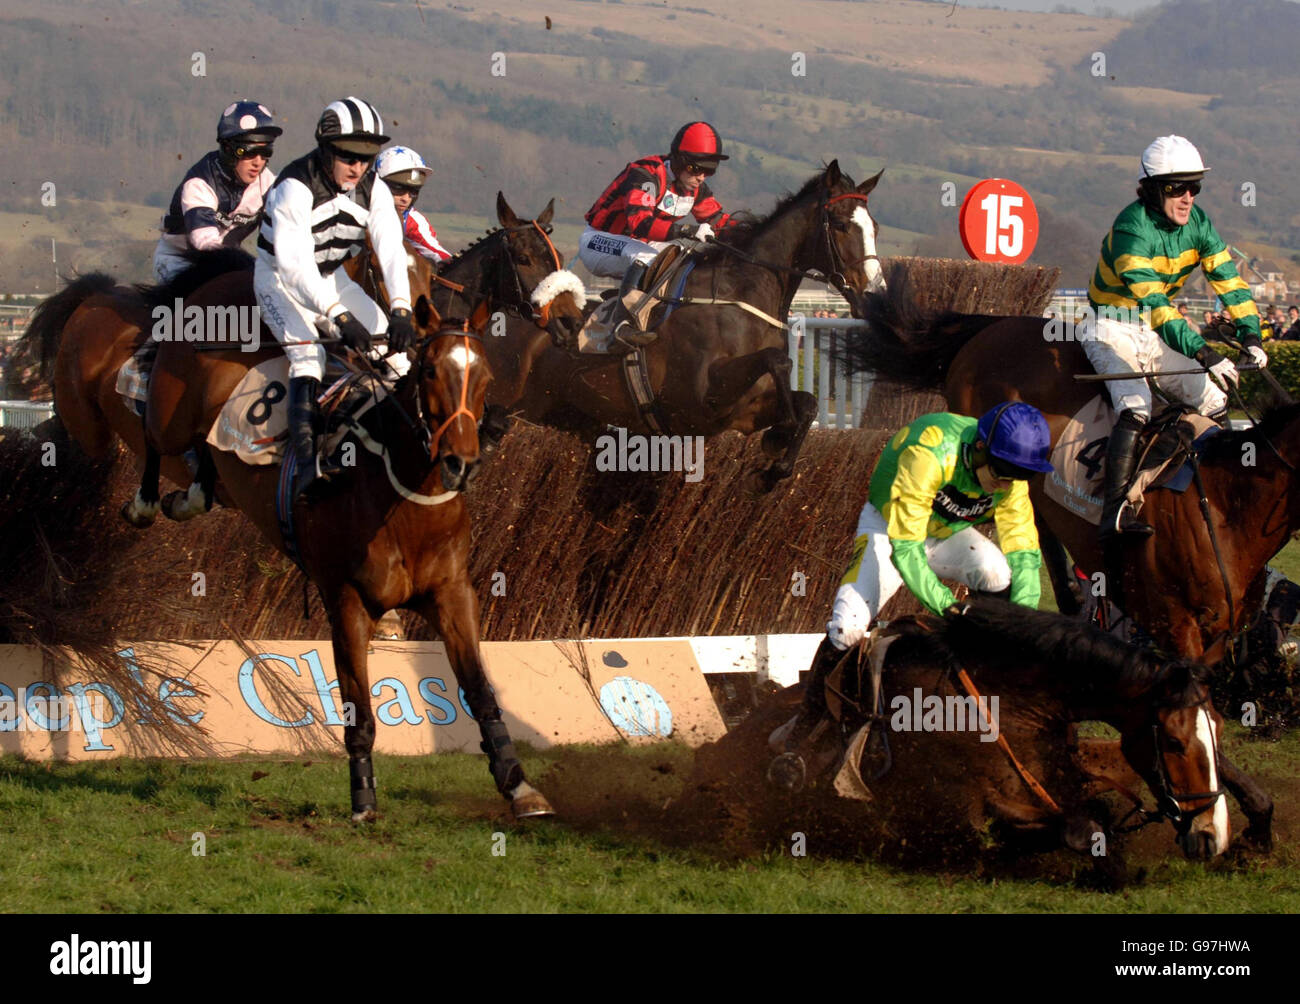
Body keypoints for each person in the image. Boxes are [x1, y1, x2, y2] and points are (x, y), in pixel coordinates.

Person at [770, 402, 1053, 776]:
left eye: (1020, 477)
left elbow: (1025, 555)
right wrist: (950, 610)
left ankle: (979, 691)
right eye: (1003, 473)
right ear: (981, 447)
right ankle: (797, 739)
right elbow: (906, 549)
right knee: (847, 627)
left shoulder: (1011, 478)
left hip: (945, 534)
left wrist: (1022, 625)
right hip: (890, 531)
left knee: (996, 572)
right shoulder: (931, 450)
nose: (1007, 484)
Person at [1085, 135, 1264, 540]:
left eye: (1194, 187)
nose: (1187, 198)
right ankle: (1113, 513)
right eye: (1175, 188)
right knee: (1136, 407)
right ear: (1150, 189)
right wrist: (1204, 352)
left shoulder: (1198, 223)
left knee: (1215, 399)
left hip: (1150, 331)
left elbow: (1229, 282)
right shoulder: (1131, 228)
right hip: (1110, 327)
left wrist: (1252, 335)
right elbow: (1157, 306)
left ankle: (1202, 489)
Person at [254, 96, 416, 500]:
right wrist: (339, 317)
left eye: (366, 158)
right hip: (279, 280)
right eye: (348, 157)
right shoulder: (294, 186)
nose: (357, 167)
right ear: (326, 150)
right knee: (310, 356)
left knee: (399, 362)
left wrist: (401, 309)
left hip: (331, 277)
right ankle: (306, 468)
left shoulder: (372, 187)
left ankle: (377, 447)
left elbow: (391, 248)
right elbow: (294, 267)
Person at [577, 121, 734, 346]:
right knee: (647, 256)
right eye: (696, 169)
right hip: (598, 241)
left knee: (684, 259)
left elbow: (721, 222)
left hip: (638, 245)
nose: (701, 177)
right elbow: (640, 223)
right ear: (680, 160)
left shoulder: (695, 189)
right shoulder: (645, 174)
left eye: (709, 171)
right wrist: (687, 230)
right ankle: (623, 326)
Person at [153, 101, 282, 282]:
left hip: (228, 263)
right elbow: (205, 244)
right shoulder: (199, 184)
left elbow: (279, 238)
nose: (258, 162)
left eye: (265, 151)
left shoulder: (269, 185)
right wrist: (247, 264)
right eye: (249, 151)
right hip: (179, 260)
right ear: (228, 149)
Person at [374, 146, 451, 263]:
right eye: (399, 189)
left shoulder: (413, 221)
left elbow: (438, 254)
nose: (406, 199)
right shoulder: (352, 204)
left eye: (413, 191)